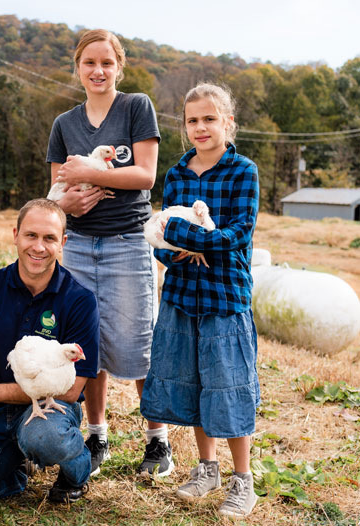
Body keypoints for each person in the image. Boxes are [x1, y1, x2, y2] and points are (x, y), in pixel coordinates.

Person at [46, 29, 170, 477]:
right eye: (89, 63)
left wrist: (90, 170)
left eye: (106, 63)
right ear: (78, 68)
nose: (98, 71)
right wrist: (69, 203)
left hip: (127, 243)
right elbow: (57, 190)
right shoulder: (64, 124)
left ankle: (157, 440)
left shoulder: (136, 107)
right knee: (87, 345)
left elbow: (145, 175)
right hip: (79, 245)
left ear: (119, 67)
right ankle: (97, 435)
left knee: (138, 344)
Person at [140, 83, 260, 518]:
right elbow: (159, 237)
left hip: (225, 295)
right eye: (192, 120)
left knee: (229, 385)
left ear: (228, 122)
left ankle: (243, 481)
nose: (201, 127)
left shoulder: (243, 171)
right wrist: (176, 246)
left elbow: (238, 234)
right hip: (182, 294)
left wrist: (185, 236)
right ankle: (207, 469)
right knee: (194, 383)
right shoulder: (177, 174)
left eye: (210, 118)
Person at [0, 199, 100, 515]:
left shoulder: (80, 300)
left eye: (49, 238)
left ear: (63, 243)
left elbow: (71, 389)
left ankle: (77, 470)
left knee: (44, 436)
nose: (38, 247)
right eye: (31, 235)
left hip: (52, 408)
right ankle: (12, 471)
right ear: (15, 235)